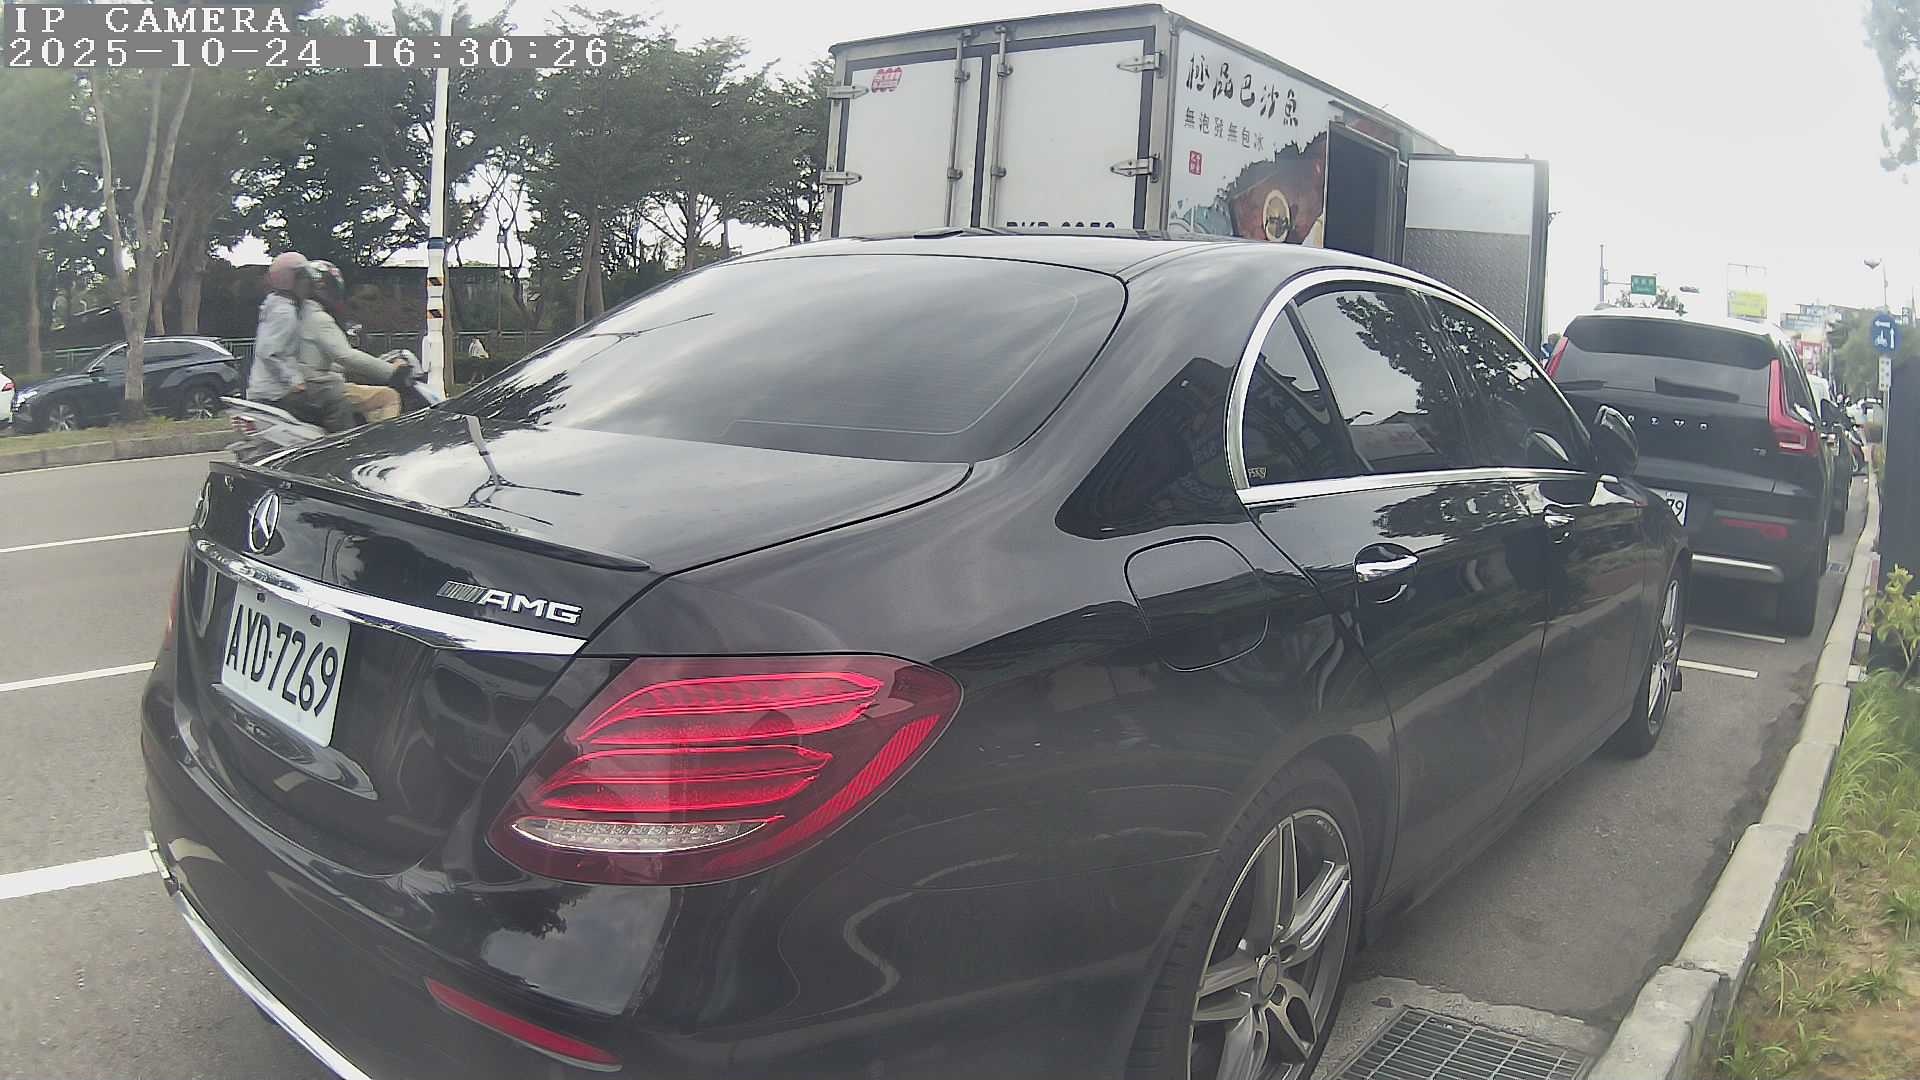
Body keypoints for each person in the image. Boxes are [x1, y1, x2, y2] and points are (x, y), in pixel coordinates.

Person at [246, 251, 354, 430]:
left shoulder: (277, 305)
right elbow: (270, 353)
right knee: (336, 399)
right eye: (304, 279)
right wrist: (295, 381)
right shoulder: (285, 313)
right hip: (277, 393)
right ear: (291, 281)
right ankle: (341, 443)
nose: (308, 286)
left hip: (267, 389)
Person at [297, 260, 404, 432]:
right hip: (321, 385)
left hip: (304, 383)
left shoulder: (296, 314)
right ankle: (384, 442)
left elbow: (315, 356)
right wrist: (390, 371)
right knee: (388, 396)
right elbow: (346, 355)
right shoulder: (319, 318)